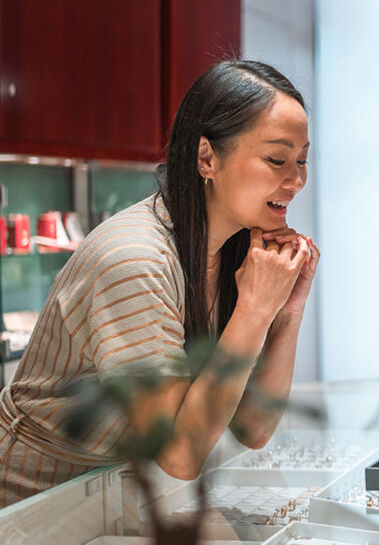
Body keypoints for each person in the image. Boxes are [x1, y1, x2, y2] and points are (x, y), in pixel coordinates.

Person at [0, 60, 320, 506]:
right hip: (34, 501)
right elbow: (180, 453)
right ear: (207, 158)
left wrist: (287, 310)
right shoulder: (134, 261)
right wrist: (254, 309)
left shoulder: (234, 248)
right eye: (277, 159)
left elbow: (254, 428)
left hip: (120, 490)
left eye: (302, 160)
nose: (297, 180)